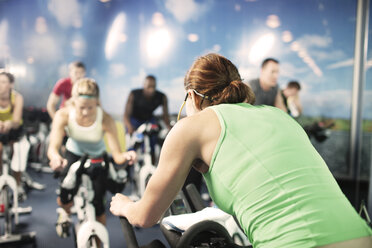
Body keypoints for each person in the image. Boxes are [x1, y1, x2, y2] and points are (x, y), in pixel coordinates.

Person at [110, 53, 372, 248]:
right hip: (361, 236)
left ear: (192, 97)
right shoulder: (278, 116)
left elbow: (145, 216)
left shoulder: (190, 126)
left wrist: (124, 205)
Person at [47, 78, 136, 237]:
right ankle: (65, 214)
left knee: (99, 205)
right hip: (74, 155)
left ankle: (100, 240)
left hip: (98, 158)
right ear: (73, 102)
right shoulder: (64, 115)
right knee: (65, 197)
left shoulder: (106, 118)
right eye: (82, 107)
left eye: (91, 107)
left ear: (97, 102)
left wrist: (126, 156)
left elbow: (116, 155)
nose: (86, 112)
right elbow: (53, 147)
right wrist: (55, 158)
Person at [0, 71, 27, 196]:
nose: (0, 84)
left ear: (11, 84)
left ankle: (18, 183)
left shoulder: (17, 97)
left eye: (3, 82)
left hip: (15, 131)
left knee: (18, 150)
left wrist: (9, 124)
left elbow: (16, 120)